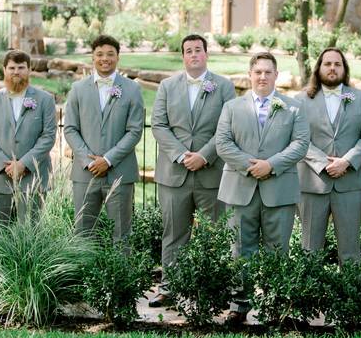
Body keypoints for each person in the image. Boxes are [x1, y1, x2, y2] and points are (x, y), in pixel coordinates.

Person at [215, 52, 310, 315]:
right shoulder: (231, 107)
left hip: (278, 189)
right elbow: (223, 143)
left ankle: (274, 303)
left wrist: (271, 165)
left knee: (277, 249)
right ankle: (239, 304)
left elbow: (300, 144)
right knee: (239, 249)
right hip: (240, 188)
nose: (263, 76)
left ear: (276, 76)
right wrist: (250, 165)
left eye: (268, 72)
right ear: (250, 75)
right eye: (258, 72)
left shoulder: (293, 107)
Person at [149, 33, 236, 306]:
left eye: (198, 50)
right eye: (188, 51)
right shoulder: (167, 86)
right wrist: (179, 154)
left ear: (206, 54)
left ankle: (214, 289)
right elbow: (159, 125)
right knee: (174, 233)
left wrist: (205, 155)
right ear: (183, 56)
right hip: (174, 174)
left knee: (215, 233)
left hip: (211, 174)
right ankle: (170, 288)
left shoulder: (223, 86)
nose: (194, 54)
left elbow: (228, 127)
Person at [295, 47, 361, 263]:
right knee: (310, 248)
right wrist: (324, 163)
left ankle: (349, 294)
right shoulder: (301, 100)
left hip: (350, 182)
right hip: (312, 183)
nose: (332, 68)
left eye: (337, 64)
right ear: (319, 68)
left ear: (344, 68)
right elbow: (298, 137)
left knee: (351, 248)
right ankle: (310, 296)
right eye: (327, 63)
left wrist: (347, 162)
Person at [63, 35, 144, 244]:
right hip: (85, 173)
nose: (104, 59)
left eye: (110, 54)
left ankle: (120, 277)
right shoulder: (77, 89)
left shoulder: (132, 89)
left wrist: (107, 160)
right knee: (83, 233)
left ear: (118, 57)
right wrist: (89, 161)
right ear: (92, 57)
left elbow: (135, 131)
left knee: (121, 234)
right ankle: (83, 276)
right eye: (99, 54)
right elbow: (70, 128)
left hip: (120, 172)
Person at [0, 49, 57, 224]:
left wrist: (23, 164)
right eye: (12, 67)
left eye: (21, 67)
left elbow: (48, 136)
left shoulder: (45, 99)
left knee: (30, 230)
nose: (16, 72)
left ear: (29, 69)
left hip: (32, 176)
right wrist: (5, 165)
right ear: (4, 70)